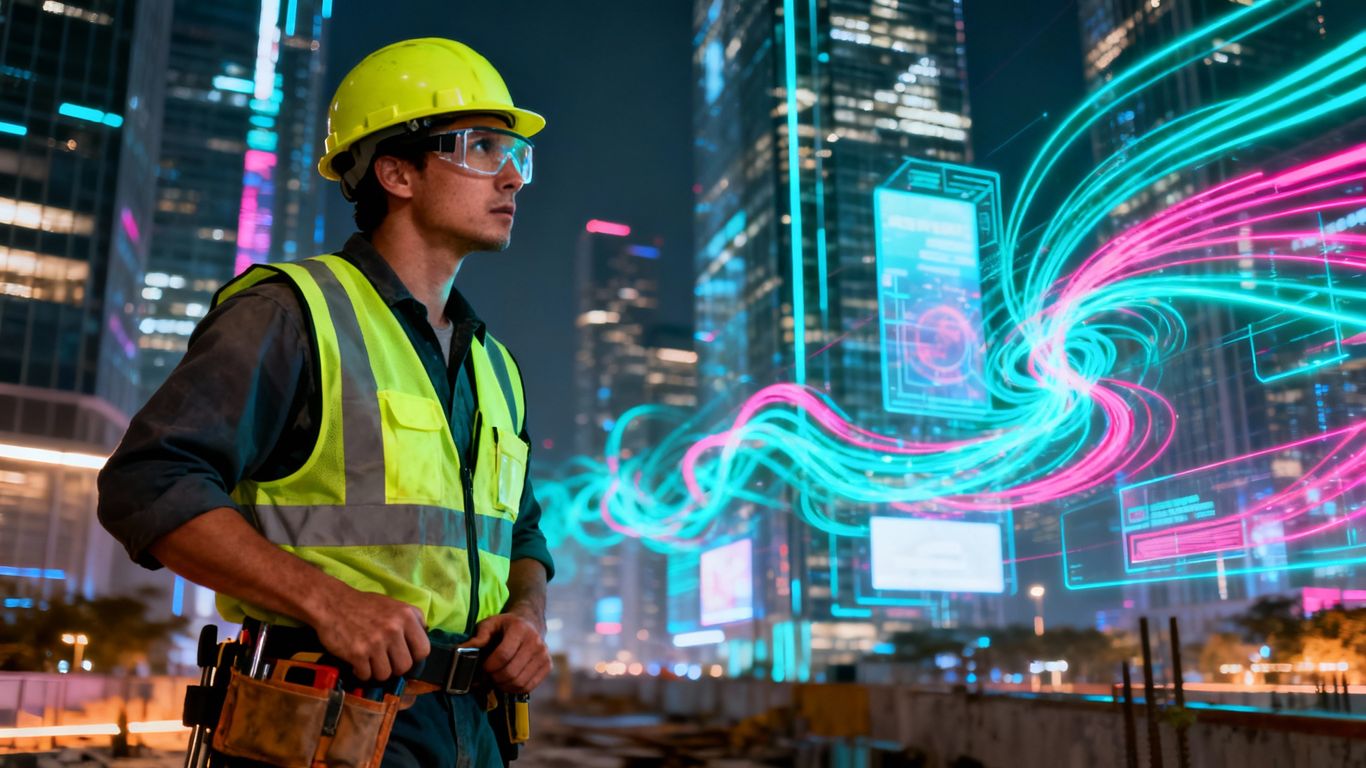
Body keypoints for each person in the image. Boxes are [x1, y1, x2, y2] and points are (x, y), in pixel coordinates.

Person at [98, 37, 554, 767]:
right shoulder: (290, 315)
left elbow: (522, 534)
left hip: (474, 730)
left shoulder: (494, 365)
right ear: (396, 172)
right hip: (323, 721)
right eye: (481, 148)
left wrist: (527, 616)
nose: (511, 177)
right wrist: (325, 601)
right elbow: (148, 483)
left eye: (516, 155)